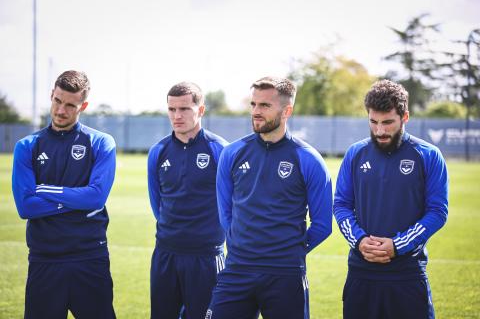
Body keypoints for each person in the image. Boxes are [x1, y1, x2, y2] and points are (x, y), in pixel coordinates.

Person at [207, 76, 332, 319]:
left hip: (285, 275)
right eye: (253, 104)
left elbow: (323, 225)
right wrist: (244, 244)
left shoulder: (308, 159)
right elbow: (225, 213)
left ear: (287, 111)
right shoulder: (232, 153)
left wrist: (289, 251)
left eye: (265, 106)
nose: (256, 111)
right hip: (238, 270)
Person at [334, 79, 448, 319]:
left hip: (407, 274)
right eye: (373, 122)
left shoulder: (428, 155)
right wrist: (359, 240)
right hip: (361, 273)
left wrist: (398, 245)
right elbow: (341, 204)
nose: (380, 131)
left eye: (388, 122)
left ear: (404, 117)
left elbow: (437, 212)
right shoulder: (355, 154)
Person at [11, 70, 116, 319]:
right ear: (51, 96)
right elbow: (26, 207)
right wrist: (79, 199)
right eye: (57, 101)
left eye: (70, 105)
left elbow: (96, 198)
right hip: (45, 260)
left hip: (90, 258)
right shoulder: (27, 146)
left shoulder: (101, 143)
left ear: (84, 106)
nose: (61, 110)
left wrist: (48, 191)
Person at [147, 82, 228, 319]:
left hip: (206, 257)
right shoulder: (158, 151)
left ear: (200, 110)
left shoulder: (220, 149)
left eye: (184, 109)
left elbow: (230, 203)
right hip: (165, 255)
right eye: (171, 109)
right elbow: (157, 202)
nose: (177, 116)